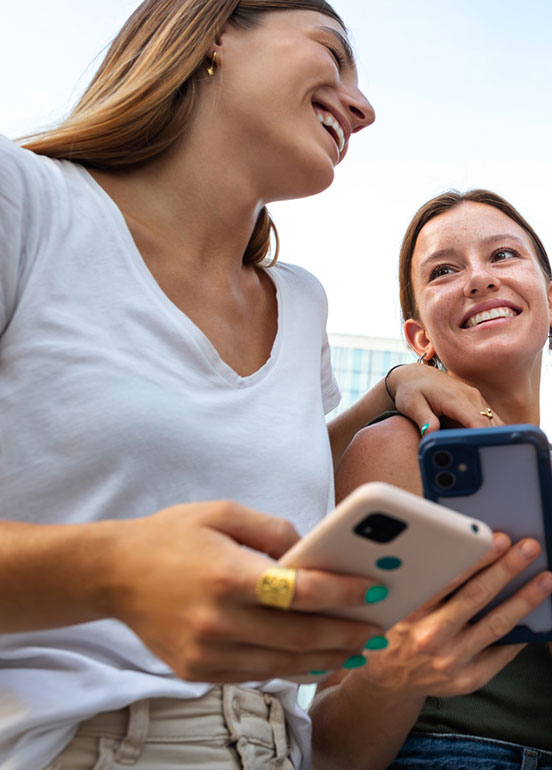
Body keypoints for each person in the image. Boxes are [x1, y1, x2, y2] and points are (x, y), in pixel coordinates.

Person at [0, 2, 497, 768]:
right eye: (332, 55)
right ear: (214, 35)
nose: (363, 107)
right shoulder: (24, 202)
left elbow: (247, 465)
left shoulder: (300, 303)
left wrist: (390, 390)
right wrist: (109, 572)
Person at [308, 190, 552, 770]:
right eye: (444, 271)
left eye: (503, 255)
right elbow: (333, 738)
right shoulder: (396, 449)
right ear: (419, 336)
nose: (478, 280)